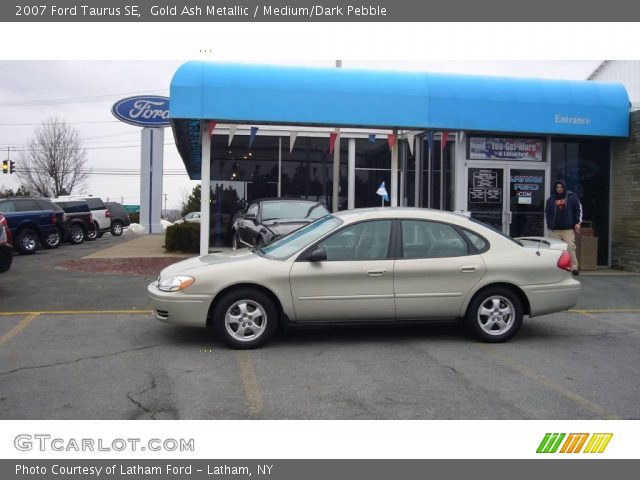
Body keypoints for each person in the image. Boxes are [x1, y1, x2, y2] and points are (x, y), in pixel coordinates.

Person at [545, 180, 582, 275]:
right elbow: (547, 213)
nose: (559, 189)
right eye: (557, 187)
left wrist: (577, 223)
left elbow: (578, 209)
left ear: (564, 187)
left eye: (561, 187)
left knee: (570, 247)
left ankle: (574, 267)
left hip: (567, 230)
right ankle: (554, 267)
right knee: (553, 249)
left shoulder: (571, 197)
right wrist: (549, 224)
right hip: (555, 230)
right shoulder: (551, 199)